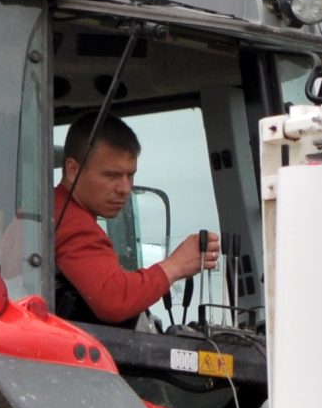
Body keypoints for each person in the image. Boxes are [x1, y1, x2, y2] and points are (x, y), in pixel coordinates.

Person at [51, 115, 220, 324]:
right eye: (111, 175)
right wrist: (175, 266)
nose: (125, 189)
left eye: (130, 175)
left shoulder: (49, 210)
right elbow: (113, 298)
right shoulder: (69, 222)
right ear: (72, 170)